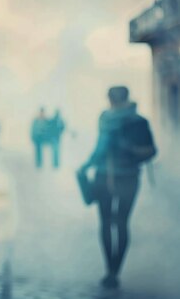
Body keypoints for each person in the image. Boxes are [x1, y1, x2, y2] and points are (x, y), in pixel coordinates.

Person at [79, 86, 156, 289]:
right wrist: (87, 165)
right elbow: (101, 147)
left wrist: (127, 149)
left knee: (113, 222)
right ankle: (113, 270)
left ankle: (111, 271)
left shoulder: (132, 122)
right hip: (116, 176)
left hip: (117, 176)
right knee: (116, 222)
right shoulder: (118, 119)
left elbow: (149, 151)